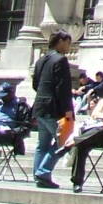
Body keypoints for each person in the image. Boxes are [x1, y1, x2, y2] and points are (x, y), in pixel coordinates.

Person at [61, 76, 103, 193]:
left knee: (100, 131)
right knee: (81, 146)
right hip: (93, 132)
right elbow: (94, 115)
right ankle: (77, 182)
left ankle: (74, 141)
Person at [31, 30, 75, 189]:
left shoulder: (41, 60)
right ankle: (43, 172)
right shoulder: (61, 60)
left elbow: (35, 84)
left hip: (40, 107)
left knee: (42, 144)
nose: (69, 47)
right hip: (53, 109)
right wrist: (68, 111)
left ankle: (37, 173)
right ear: (61, 41)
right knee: (62, 142)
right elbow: (63, 88)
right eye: (69, 43)